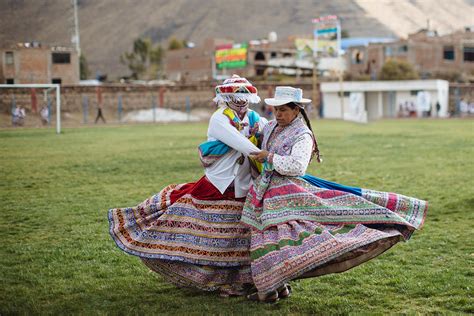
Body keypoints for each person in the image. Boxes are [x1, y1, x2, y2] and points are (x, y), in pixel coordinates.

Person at [243, 86, 428, 302]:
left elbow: (298, 166)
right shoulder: (272, 126)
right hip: (267, 190)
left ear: (296, 111)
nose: (278, 114)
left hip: (287, 191)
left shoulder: (302, 135)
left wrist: (270, 158)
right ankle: (275, 287)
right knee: (267, 237)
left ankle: (270, 289)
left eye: (283, 110)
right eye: (276, 110)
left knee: (276, 236)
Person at [108, 75, 267, 296]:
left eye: (245, 97)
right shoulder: (219, 118)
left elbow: (269, 132)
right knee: (213, 237)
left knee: (239, 238)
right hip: (219, 184)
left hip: (244, 185)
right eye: (236, 97)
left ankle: (244, 281)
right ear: (226, 98)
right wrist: (266, 154)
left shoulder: (254, 118)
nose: (241, 101)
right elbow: (240, 143)